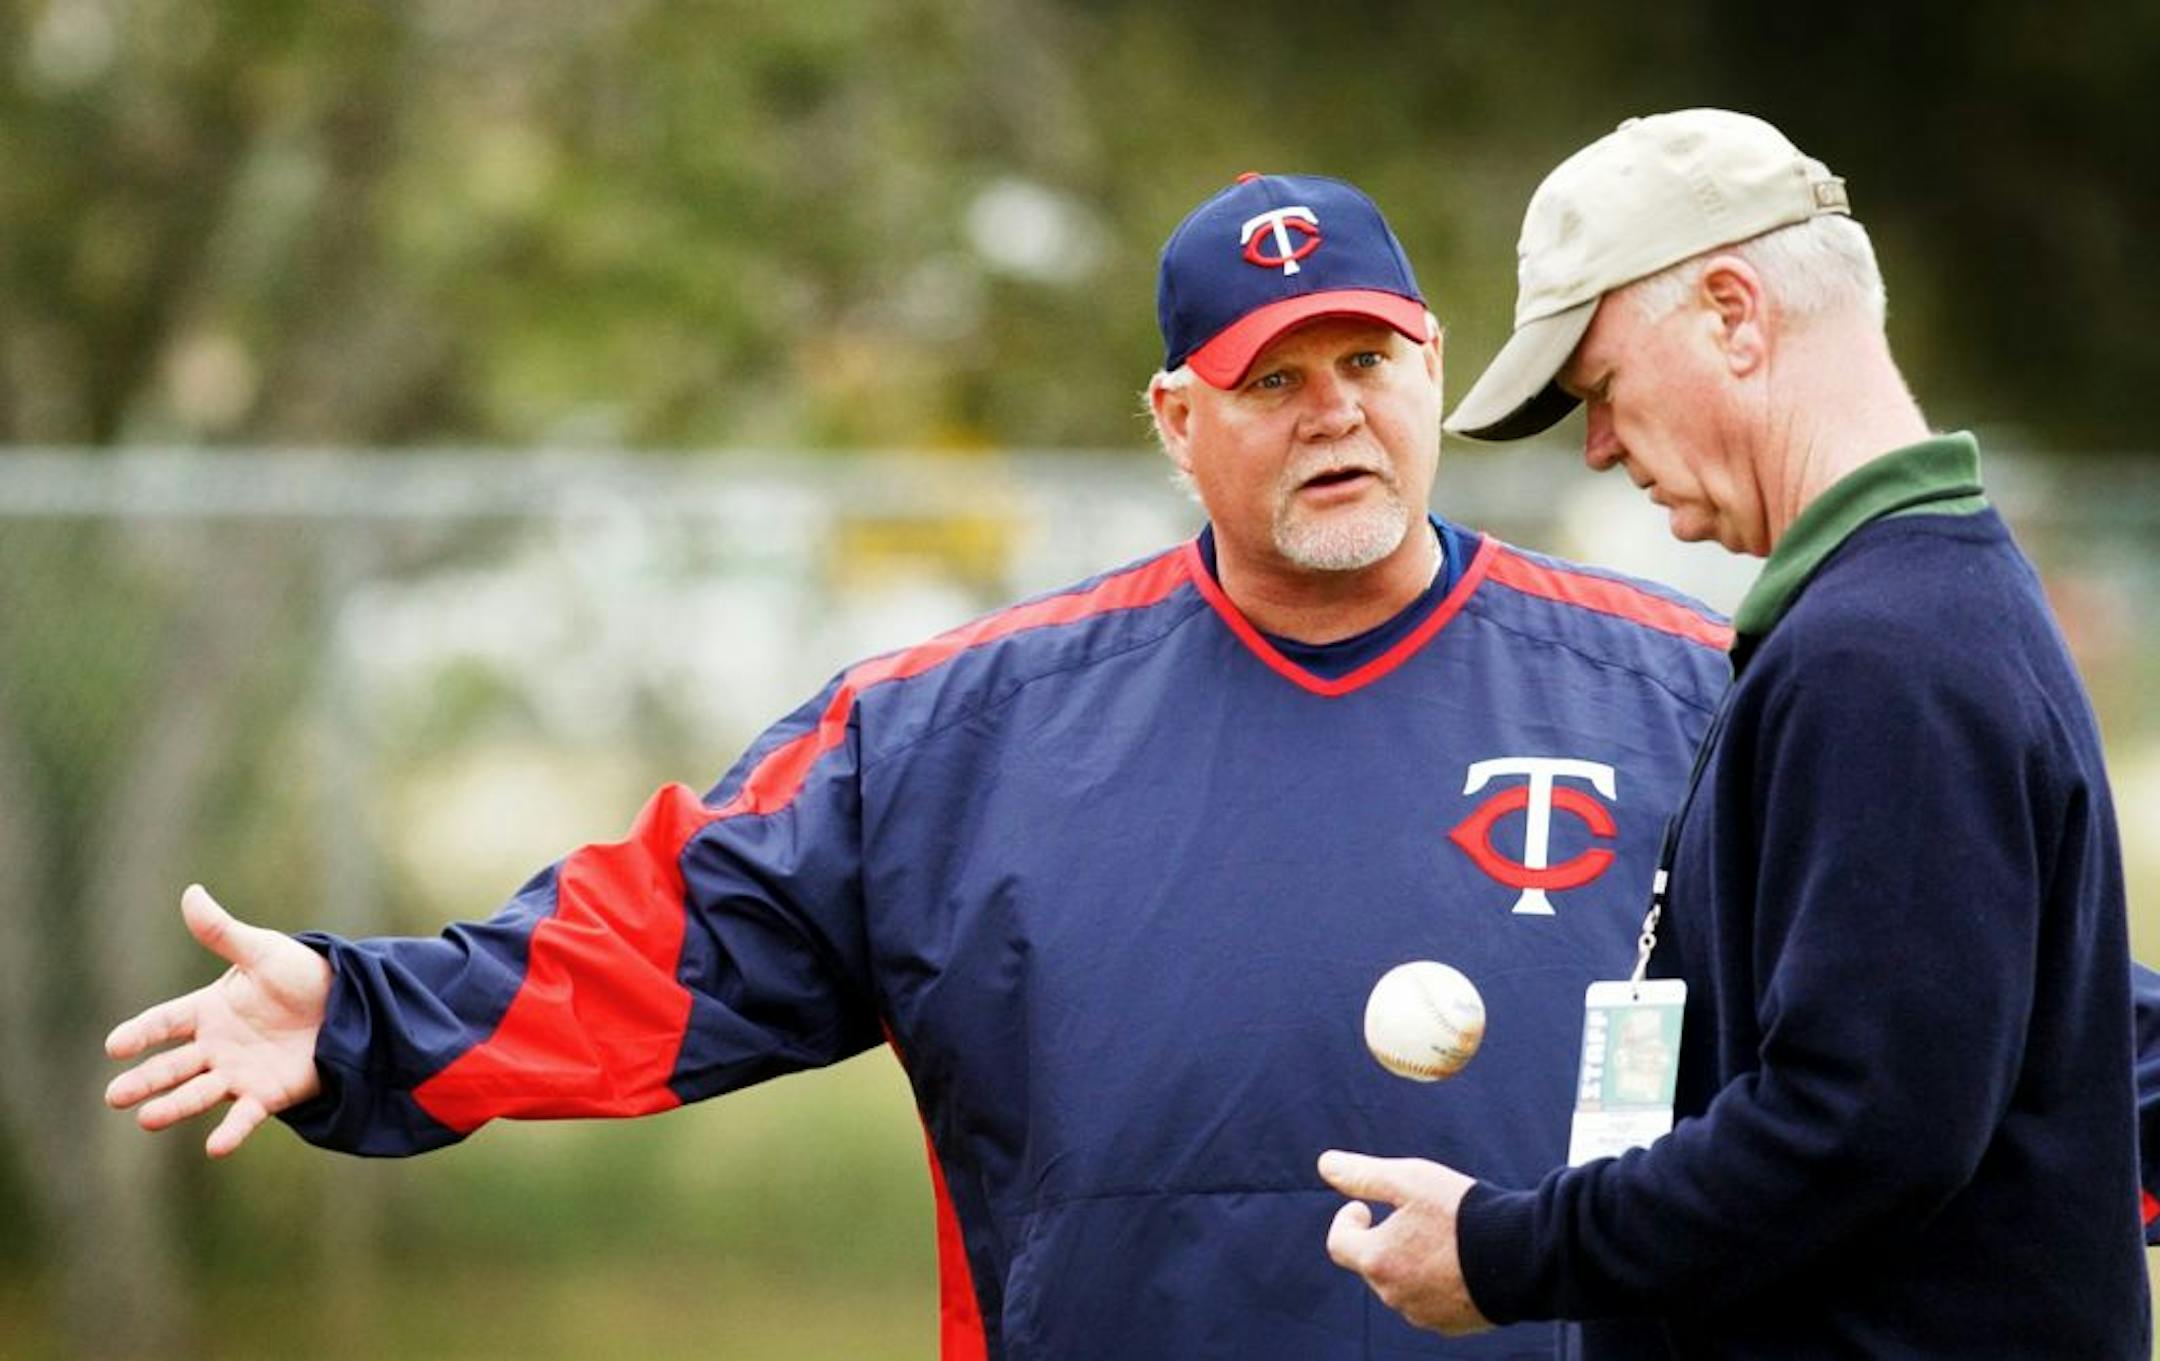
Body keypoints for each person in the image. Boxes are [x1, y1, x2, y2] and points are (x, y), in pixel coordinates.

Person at [106, 172, 1739, 1359]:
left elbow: (1871, 1072)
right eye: (1273, 381)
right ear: (1178, 420)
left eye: (1368, 364)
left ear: (1435, 370)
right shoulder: (959, 736)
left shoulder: (1680, 694)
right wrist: (361, 1014)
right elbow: (660, 941)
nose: (1334, 416)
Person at [1319, 109, 2154, 1357]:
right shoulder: (1899, 607)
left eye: (1601, 387)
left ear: (1733, 312)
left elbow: (1858, 1129)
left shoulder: (1885, 652)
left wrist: (1505, 1249)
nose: (1599, 446)